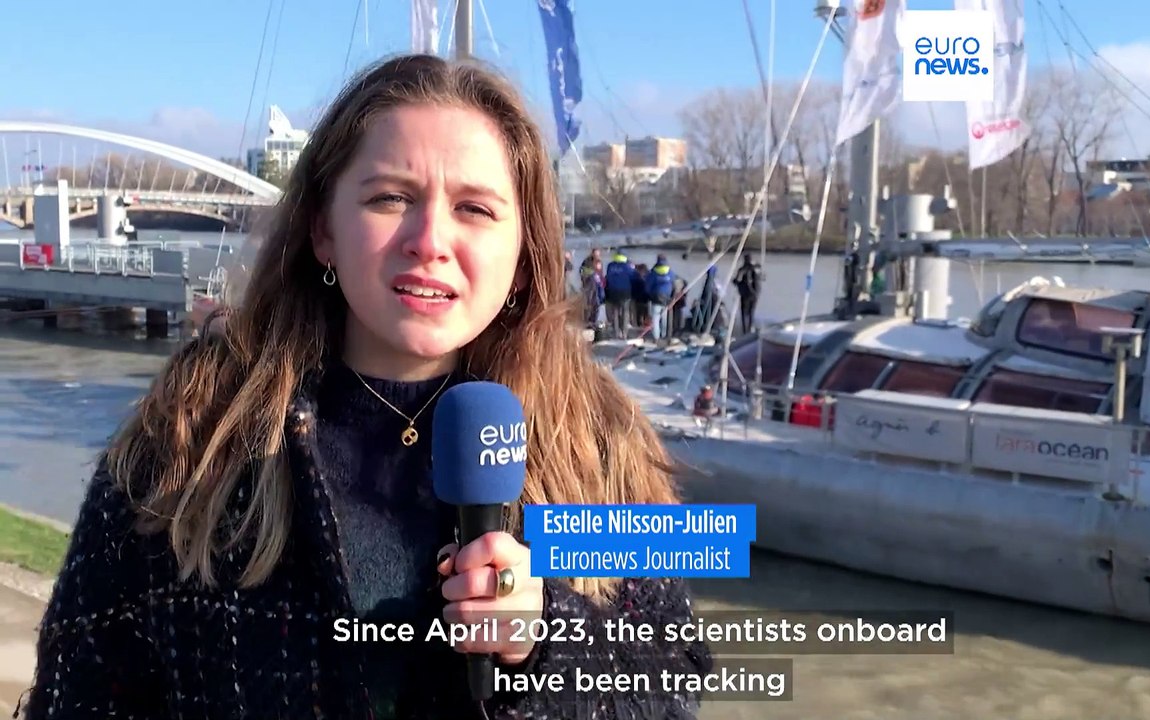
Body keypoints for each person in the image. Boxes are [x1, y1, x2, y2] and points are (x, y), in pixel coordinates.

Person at [24, 54, 712, 720]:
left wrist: (545, 644)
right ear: (324, 229)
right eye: (391, 198)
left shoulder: (602, 440)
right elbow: (83, 685)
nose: (429, 240)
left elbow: (676, 677)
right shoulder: (191, 429)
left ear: (526, 255)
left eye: (475, 208)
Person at [602, 251, 636, 339]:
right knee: (625, 312)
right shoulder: (627, 266)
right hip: (625, 292)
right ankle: (624, 333)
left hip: (613, 292)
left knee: (615, 312)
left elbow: (608, 277)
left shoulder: (610, 265)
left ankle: (617, 333)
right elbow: (634, 277)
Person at [645, 254, 677, 342]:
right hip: (667, 299)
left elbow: (648, 286)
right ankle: (664, 335)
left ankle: (656, 337)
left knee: (655, 319)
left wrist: (650, 295)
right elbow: (674, 285)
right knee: (664, 319)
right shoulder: (670, 272)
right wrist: (673, 297)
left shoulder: (653, 272)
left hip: (656, 298)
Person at [733, 253, 762, 335]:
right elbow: (761, 278)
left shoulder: (743, 270)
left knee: (744, 313)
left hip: (746, 294)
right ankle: (750, 328)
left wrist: (735, 281)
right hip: (755, 294)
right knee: (751, 312)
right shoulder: (757, 268)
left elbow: (737, 281)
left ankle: (745, 331)